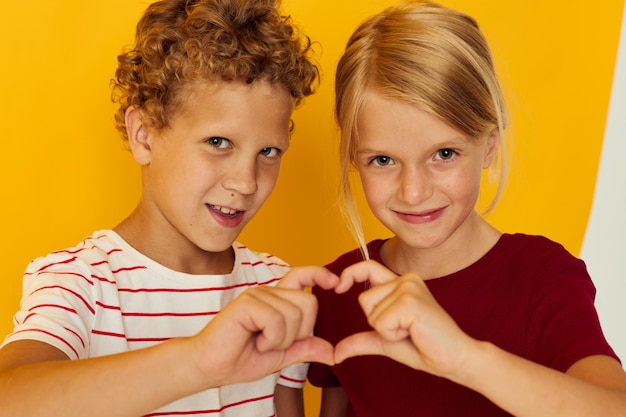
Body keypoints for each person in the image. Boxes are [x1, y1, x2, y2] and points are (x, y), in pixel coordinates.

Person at [0, 0, 329, 416]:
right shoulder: (82, 284)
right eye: (218, 143)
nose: (246, 182)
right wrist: (197, 362)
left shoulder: (278, 290)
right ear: (144, 135)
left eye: (268, 151)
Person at [308, 1, 626, 416]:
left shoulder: (542, 278)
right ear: (354, 156)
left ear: (489, 145)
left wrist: (463, 357)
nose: (414, 191)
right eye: (383, 160)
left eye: (444, 153)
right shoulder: (339, 292)